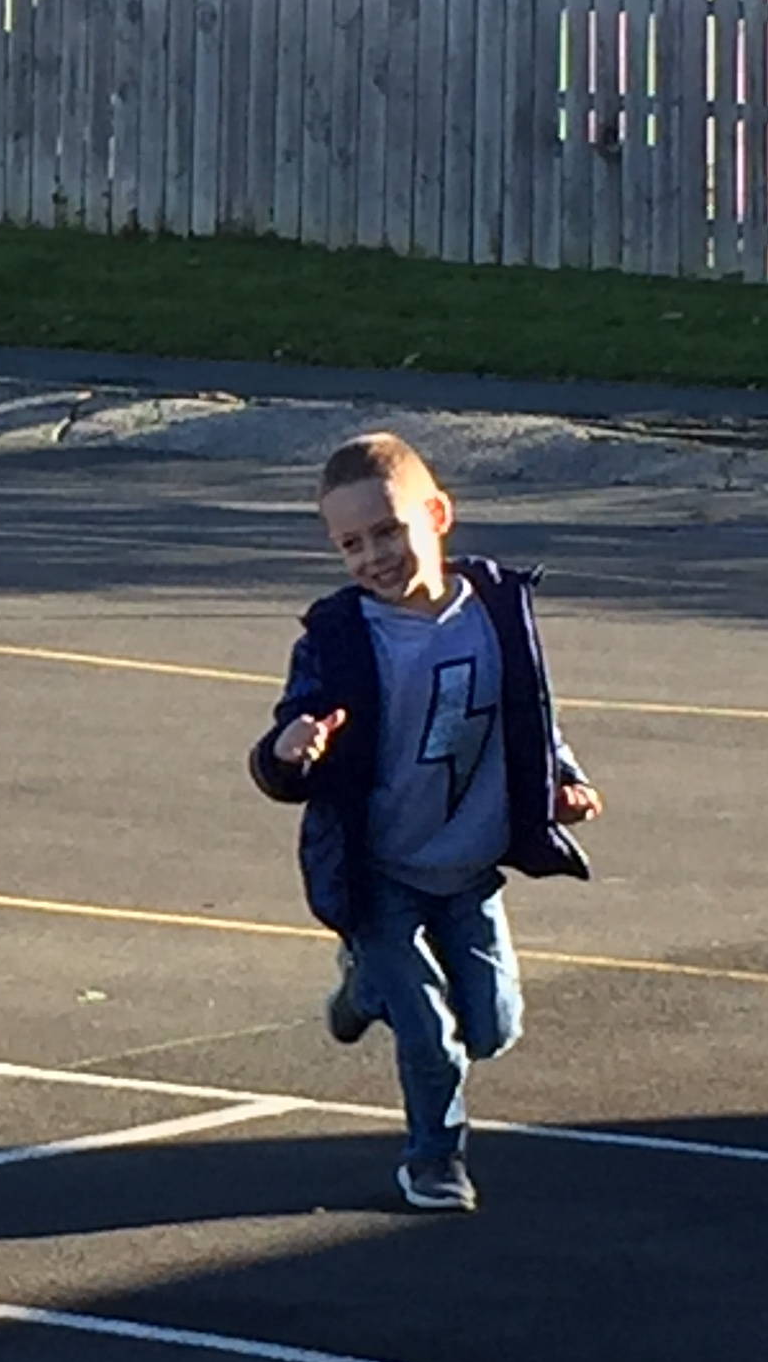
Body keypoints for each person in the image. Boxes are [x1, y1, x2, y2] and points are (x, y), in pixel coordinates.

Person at [251, 431, 604, 1214]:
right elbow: (283, 751)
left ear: (437, 515)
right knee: (430, 1036)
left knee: (491, 1028)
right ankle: (434, 1159)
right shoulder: (338, 639)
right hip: (378, 870)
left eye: (388, 531)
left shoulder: (495, 613)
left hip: (467, 866)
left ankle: (365, 988)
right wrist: (287, 752)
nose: (373, 556)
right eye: (351, 544)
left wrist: (563, 780)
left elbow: (530, 715)